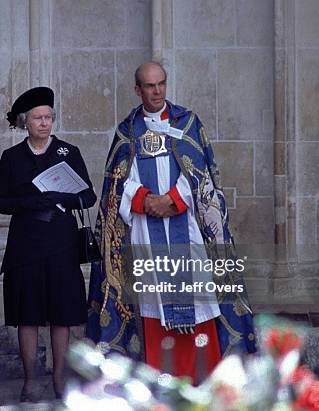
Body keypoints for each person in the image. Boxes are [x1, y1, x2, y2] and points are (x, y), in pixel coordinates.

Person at [86, 62, 256, 383]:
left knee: (198, 307)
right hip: (144, 237)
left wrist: (173, 200)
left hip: (187, 231)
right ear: (138, 89)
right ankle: (161, 388)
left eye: (161, 84)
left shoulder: (188, 123)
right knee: (152, 312)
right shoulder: (127, 131)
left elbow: (202, 175)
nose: (157, 91)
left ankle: (201, 384)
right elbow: (117, 185)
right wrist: (145, 201)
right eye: (150, 86)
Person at [0, 86, 96, 400]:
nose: (44, 123)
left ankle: (60, 377)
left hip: (61, 243)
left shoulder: (68, 152)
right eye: (38, 118)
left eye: (48, 117)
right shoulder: (12, 157)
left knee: (62, 313)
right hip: (26, 244)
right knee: (28, 314)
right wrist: (30, 202)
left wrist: (62, 197)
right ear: (25, 121)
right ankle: (29, 380)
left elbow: (88, 196)